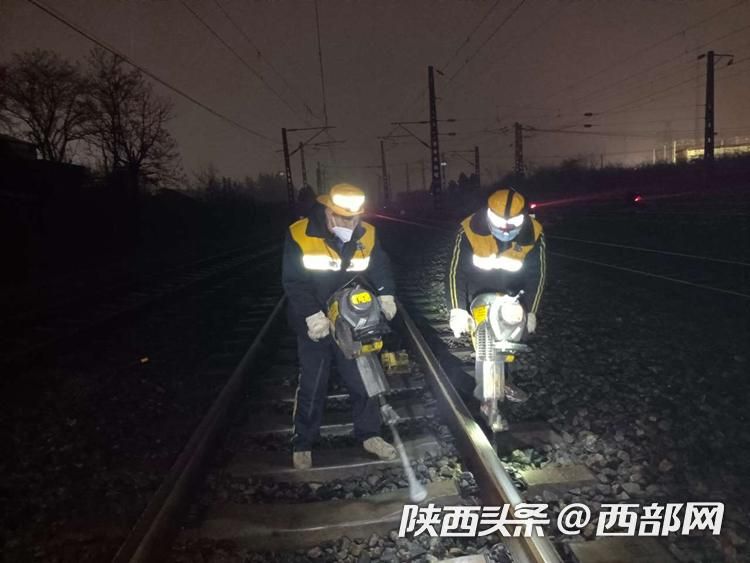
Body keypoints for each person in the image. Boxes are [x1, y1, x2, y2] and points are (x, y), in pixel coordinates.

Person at [282, 182, 399, 469]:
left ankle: (370, 435)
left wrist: (386, 294)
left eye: (354, 217)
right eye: (344, 218)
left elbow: (380, 266)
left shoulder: (367, 234)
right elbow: (294, 282)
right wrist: (312, 316)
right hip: (316, 322)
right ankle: (303, 442)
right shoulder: (300, 233)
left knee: (364, 377)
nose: (350, 223)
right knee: (314, 381)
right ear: (328, 211)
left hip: (353, 317)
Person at [445, 188, 547, 403]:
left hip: (513, 296)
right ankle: (488, 393)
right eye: (500, 224)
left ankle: (503, 380)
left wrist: (532, 311)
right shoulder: (469, 230)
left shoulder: (534, 233)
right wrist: (457, 308)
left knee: (509, 337)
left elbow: (537, 275)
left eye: (512, 224)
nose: (505, 229)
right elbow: (455, 271)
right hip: (478, 293)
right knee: (485, 339)